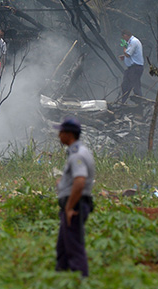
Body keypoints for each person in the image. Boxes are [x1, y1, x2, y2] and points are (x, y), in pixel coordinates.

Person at [54, 116, 95, 277]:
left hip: (75, 206)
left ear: (69, 134)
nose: (59, 136)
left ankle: (80, 280)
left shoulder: (77, 155)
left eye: (61, 132)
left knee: (74, 248)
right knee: (63, 248)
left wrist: (70, 207)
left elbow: (79, 181)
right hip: (72, 204)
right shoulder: (77, 151)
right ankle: (61, 278)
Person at [118, 29, 144, 104]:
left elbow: (127, 54)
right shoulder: (130, 42)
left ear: (126, 35)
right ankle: (123, 103)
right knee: (125, 85)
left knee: (136, 86)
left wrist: (124, 46)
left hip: (136, 68)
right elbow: (130, 55)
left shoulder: (134, 42)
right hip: (131, 68)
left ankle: (139, 105)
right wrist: (124, 57)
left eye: (123, 37)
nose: (123, 39)